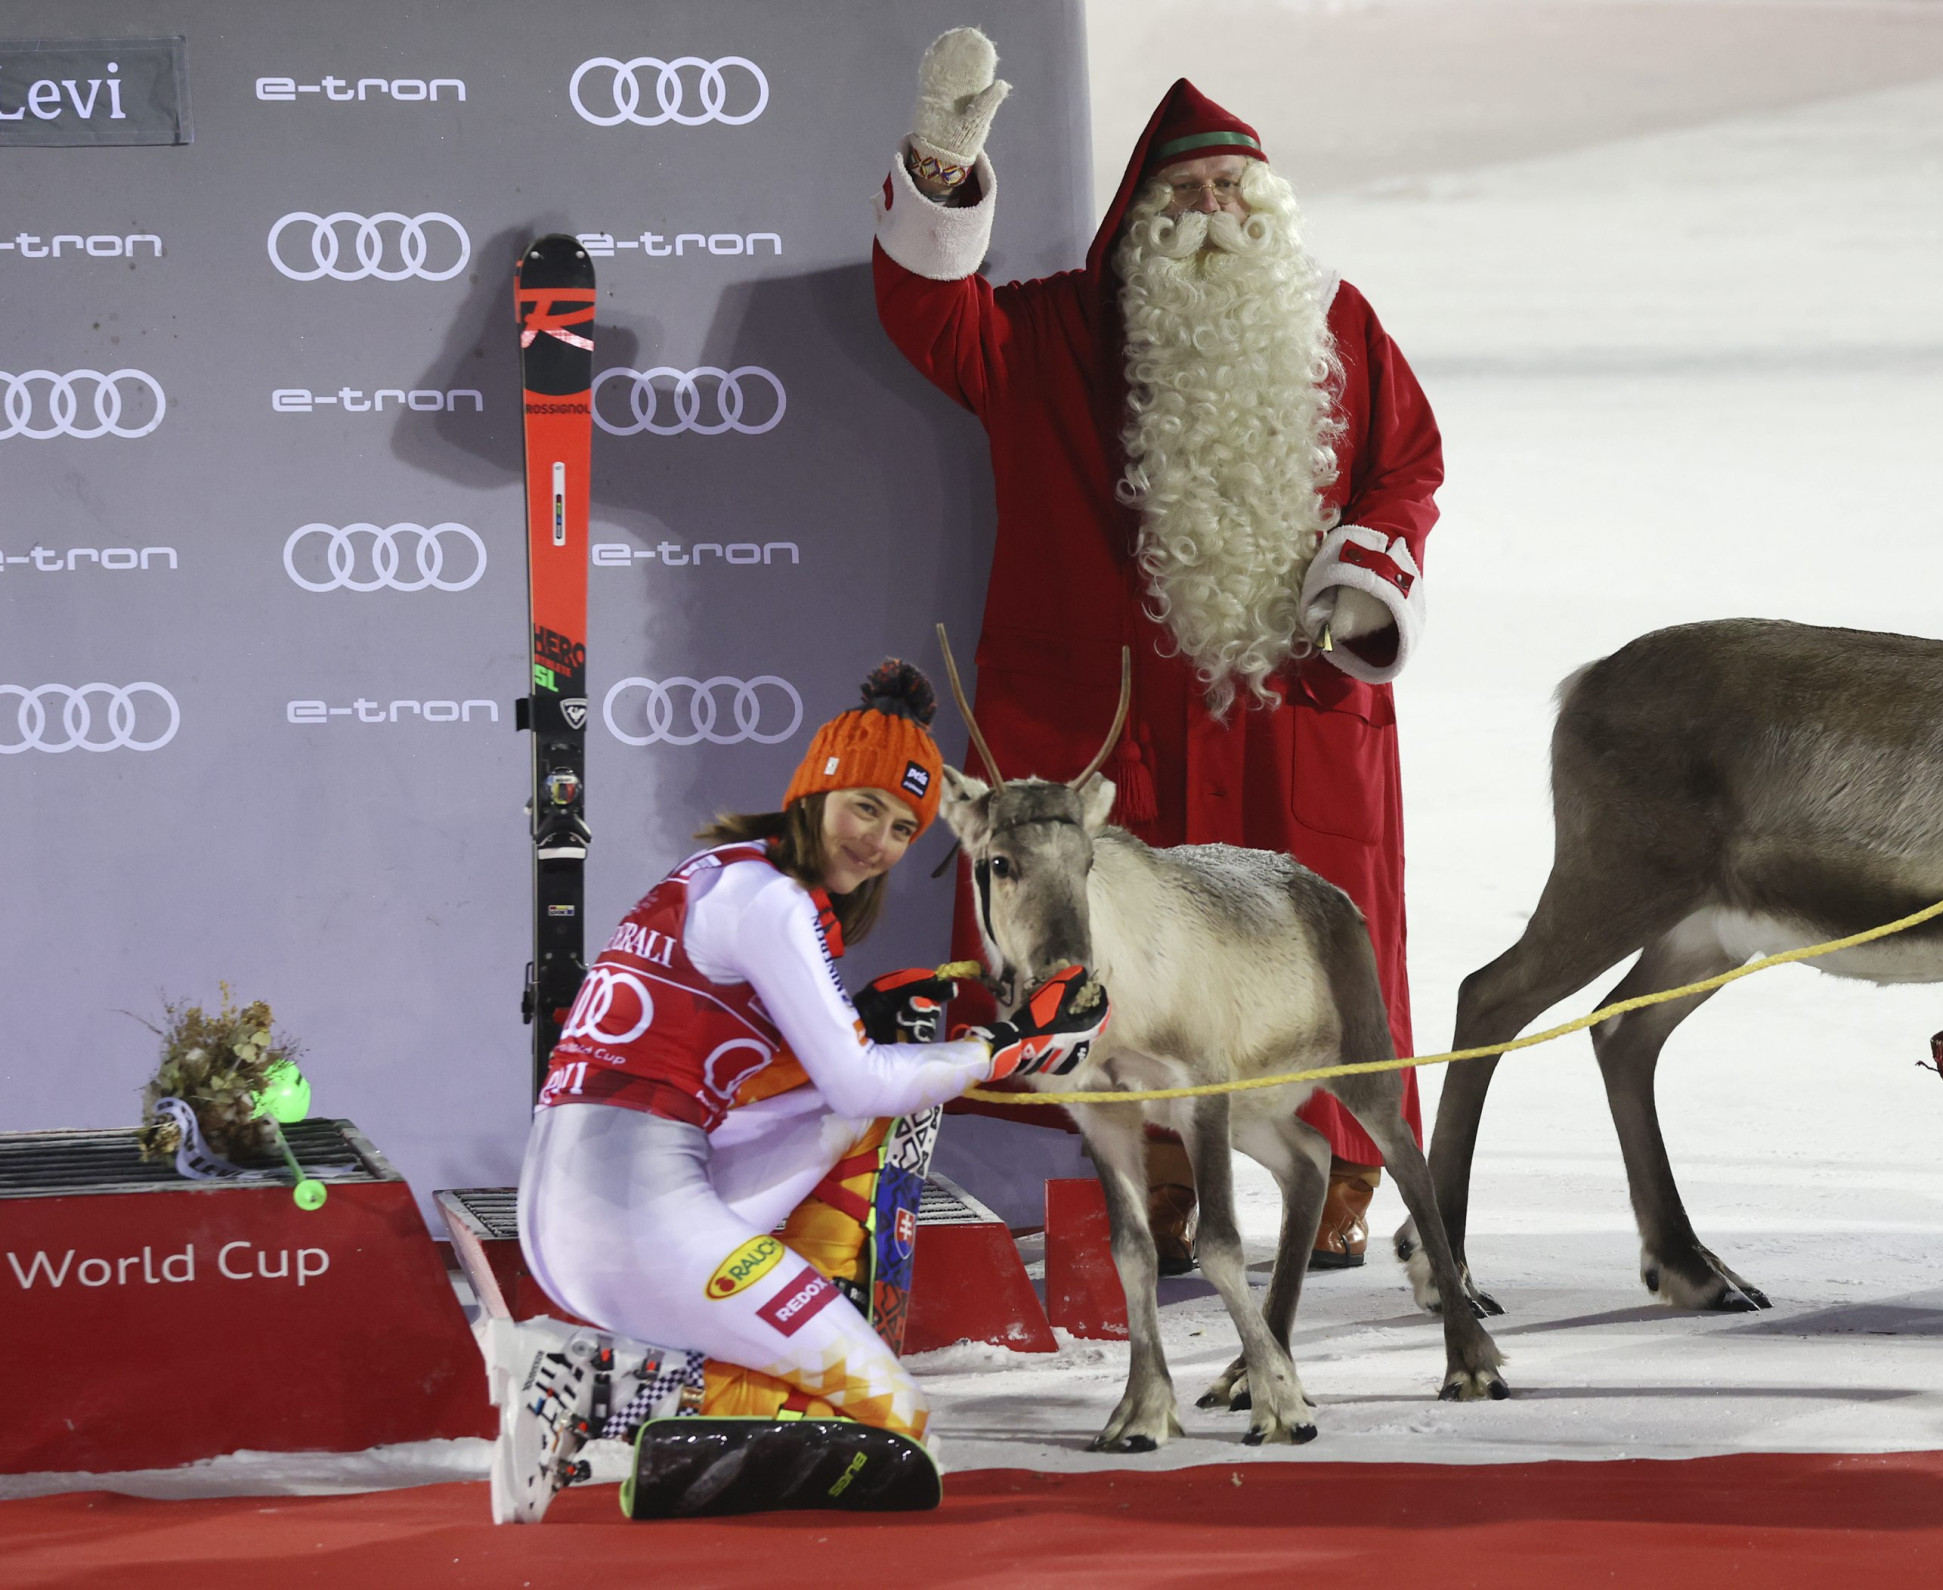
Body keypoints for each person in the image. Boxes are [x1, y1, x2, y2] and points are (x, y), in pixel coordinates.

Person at [872, 29, 1444, 1270]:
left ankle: (1337, 1173)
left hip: (1289, 701)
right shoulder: (1058, 334)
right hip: (1115, 712)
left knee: (1314, 942)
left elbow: (1406, 465)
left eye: (1232, 187)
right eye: (1184, 192)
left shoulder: (1335, 323)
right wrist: (940, 166)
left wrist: (1364, 580)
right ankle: (1166, 1175)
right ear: (1139, 217)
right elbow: (932, 320)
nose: (1212, 210)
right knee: (1124, 948)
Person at [486, 661, 1109, 1524]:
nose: (878, 842)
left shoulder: (724, 873)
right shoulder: (769, 900)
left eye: (903, 828)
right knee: (897, 1427)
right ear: (815, 791)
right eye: (865, 808)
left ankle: (610, 1385)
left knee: (858, 1111)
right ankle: (594, 1385)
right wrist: (1006, 1046)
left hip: (602, 1195)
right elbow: (857, 1077)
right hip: (631, 1218)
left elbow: (803, 1084)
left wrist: (870, 1019)